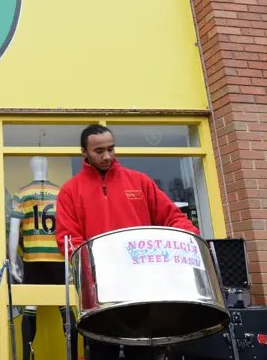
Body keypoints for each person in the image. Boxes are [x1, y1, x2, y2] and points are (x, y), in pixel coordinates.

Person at [55, 125, 200, 360]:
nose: (107, 156)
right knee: (103, 351)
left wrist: (191, 241)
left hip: (142, 286)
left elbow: (172, 217)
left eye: (111, 149)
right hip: (100, 291)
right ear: (84, 152)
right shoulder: (71, 191)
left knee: (142, 351)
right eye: (99, 151)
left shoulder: (139, 182)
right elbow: (68, 239)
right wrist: (91, 271)